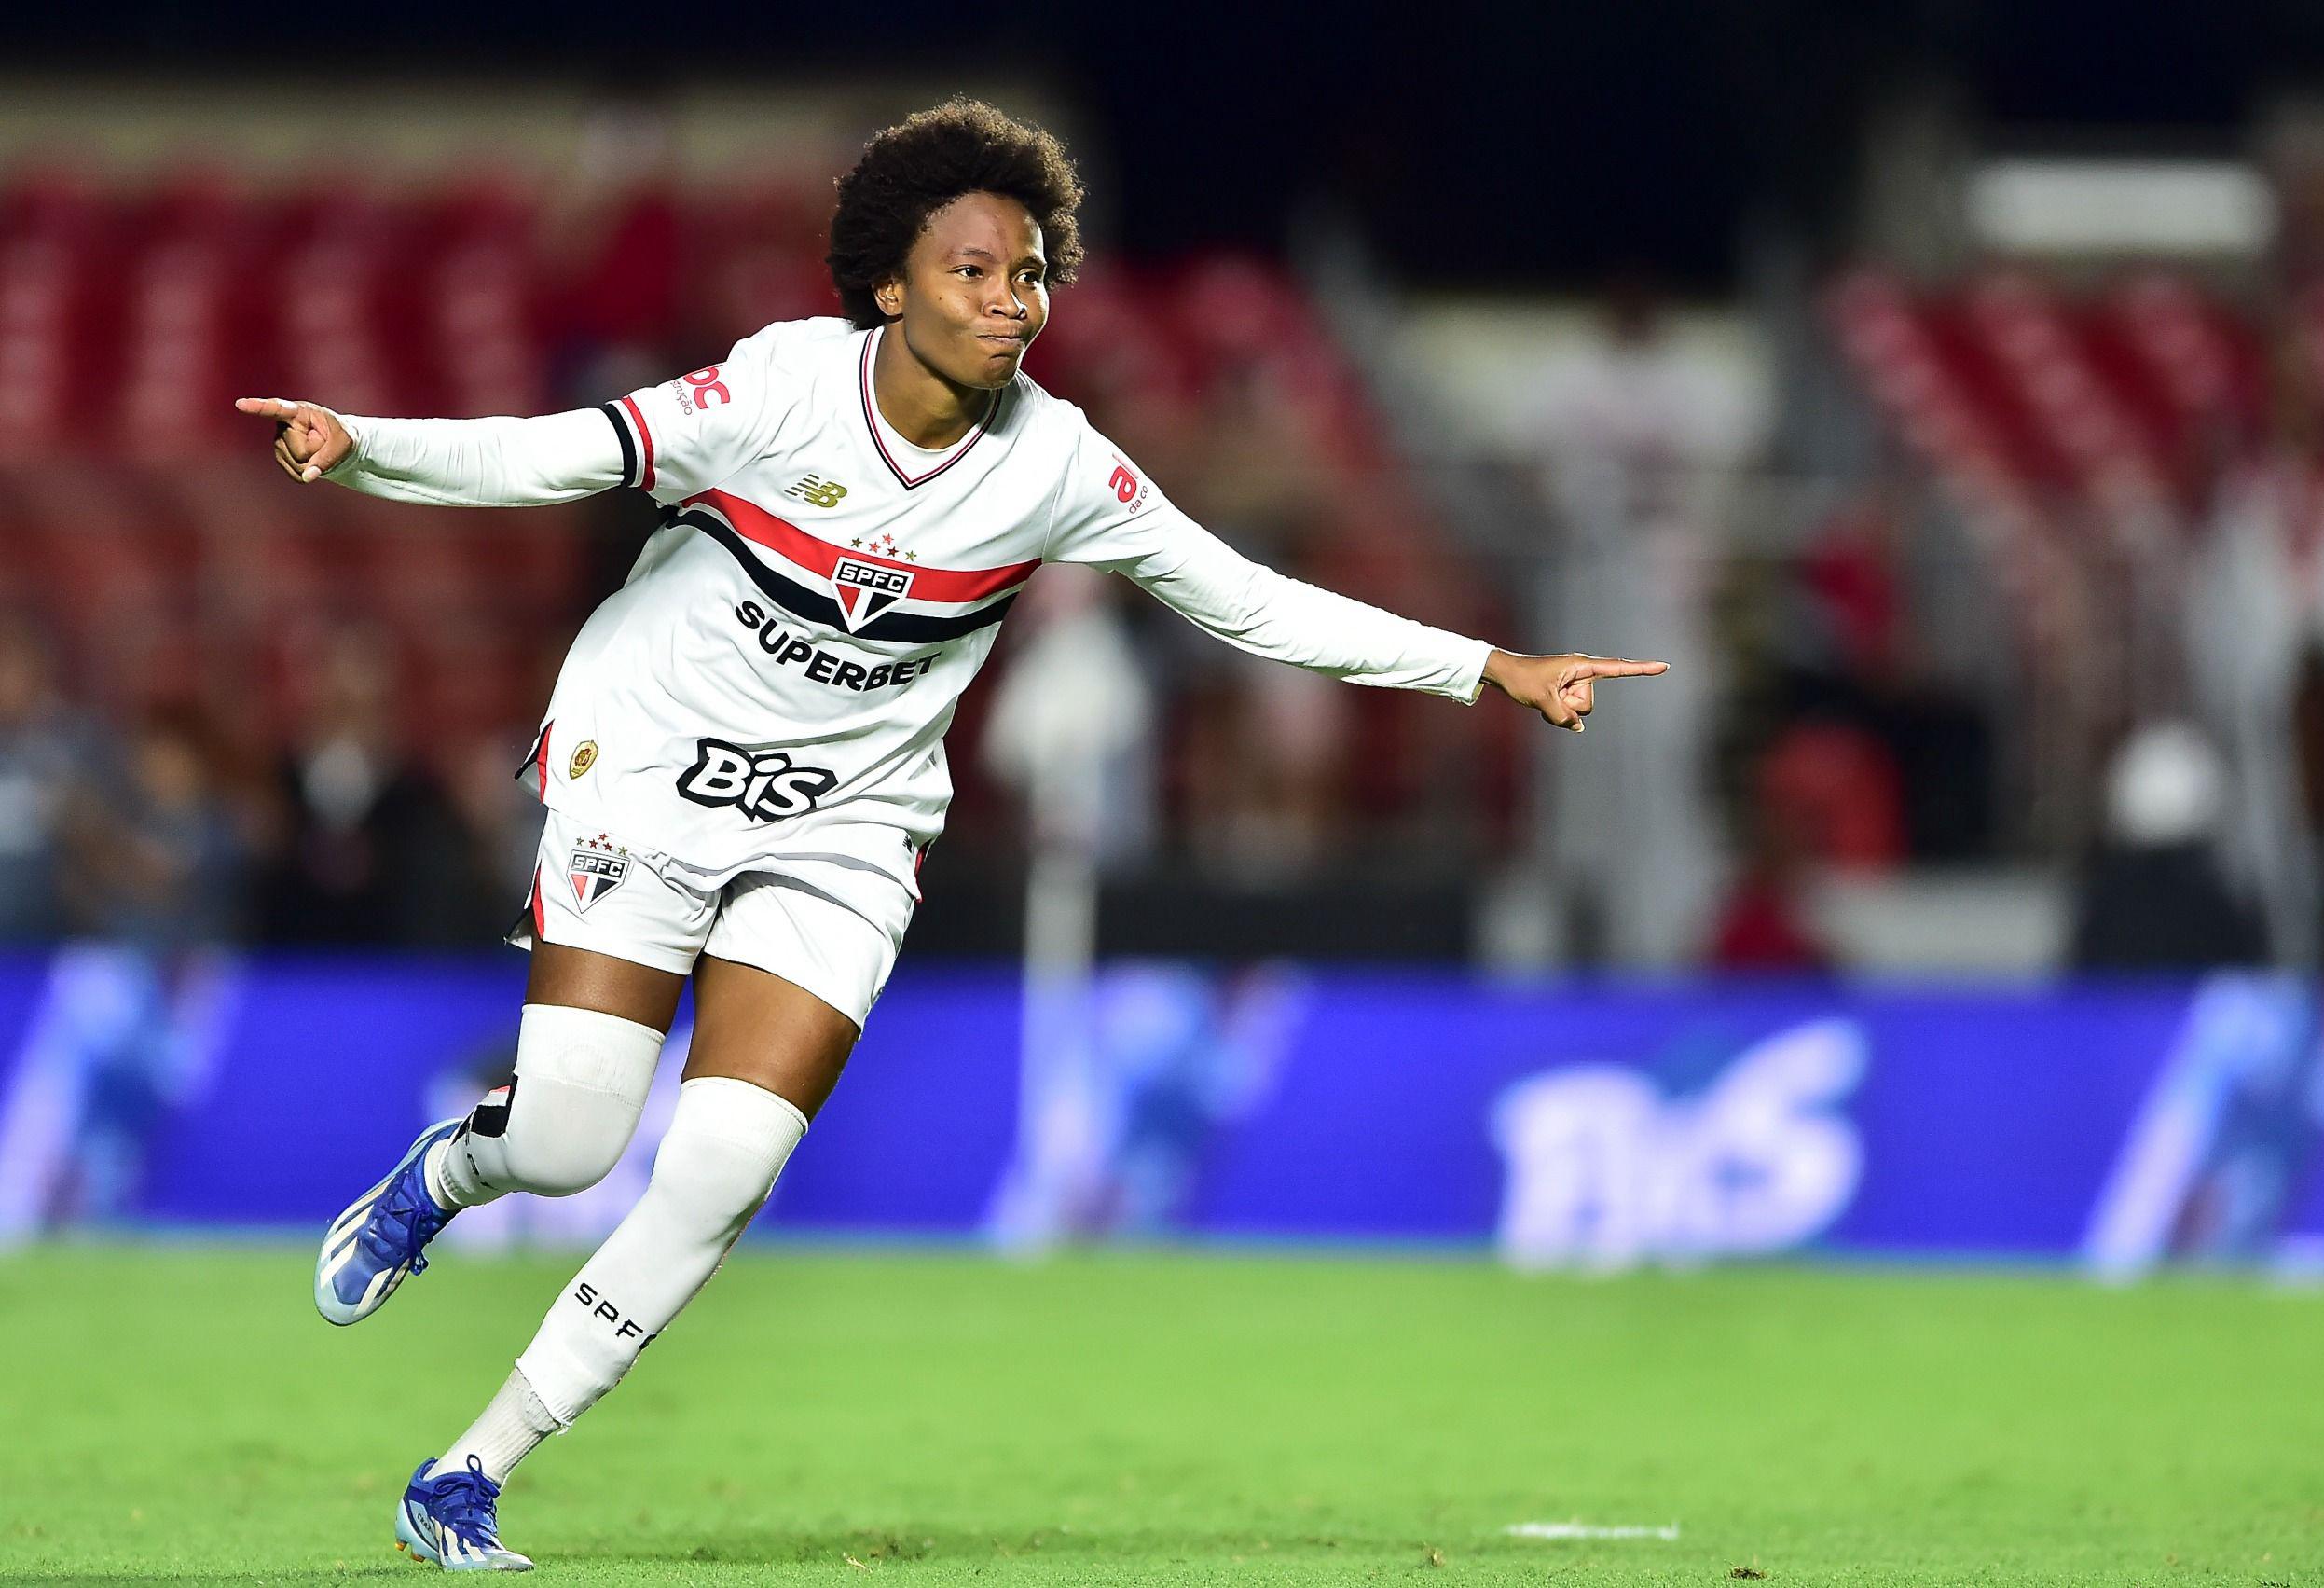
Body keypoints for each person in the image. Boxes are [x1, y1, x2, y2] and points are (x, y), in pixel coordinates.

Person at [238, 99, 1664, 1572]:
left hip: (845, 826)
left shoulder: (1056, 463)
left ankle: (469, 1473)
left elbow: (1243, 597)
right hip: (652, 770)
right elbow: (564, 455)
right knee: (564, 1139)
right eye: (975, 270)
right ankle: (444, 1178)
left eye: (1031, 273)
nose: (1011, 300)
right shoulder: (782, 387)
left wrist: (1487, 664)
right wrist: (361, 449)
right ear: (889, 285)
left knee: (722, 1166)